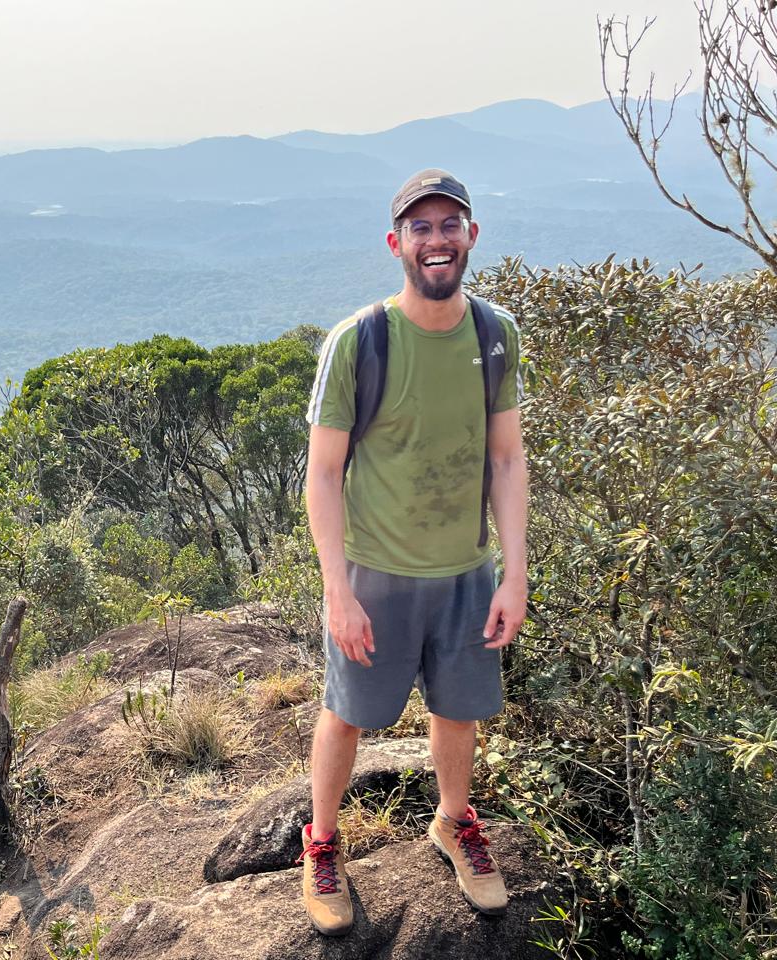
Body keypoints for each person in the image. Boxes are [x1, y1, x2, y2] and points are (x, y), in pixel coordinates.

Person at [299, 168, 528, 935]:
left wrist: (514, 573)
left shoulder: (495, 336)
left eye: (450, 225)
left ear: (471, 236)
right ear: (397, 244)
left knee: (457, 709)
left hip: (466, 571)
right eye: (421, 229)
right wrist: (338, 589)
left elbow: (505, 459)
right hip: (376, 571)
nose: (437, 241)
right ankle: (322, 844)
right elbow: (323, 474)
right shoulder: (360, 341)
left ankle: (453, 822)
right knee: (347, 713)